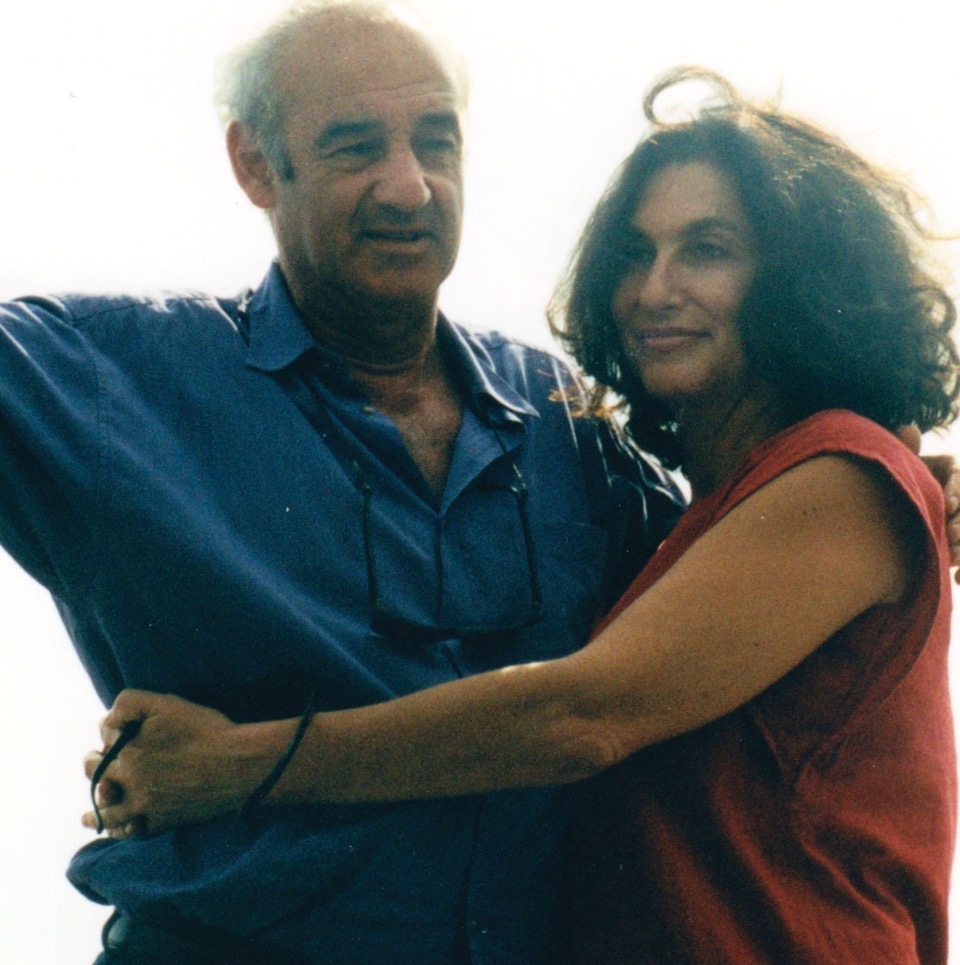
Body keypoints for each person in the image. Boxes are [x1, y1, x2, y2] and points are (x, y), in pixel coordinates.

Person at [89, 68, 960, 962]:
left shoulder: (847, 476)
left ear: (805, 279)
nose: (655, 289)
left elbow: (577, 717)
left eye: (708, 249)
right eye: (634, 253)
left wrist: (234, 766)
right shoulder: (730, 511)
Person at [0, 2, 684, 962]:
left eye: (436, 141)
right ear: (253, 165)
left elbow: (738, 580)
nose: (409, 187)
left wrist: (890, 457)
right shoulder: (109, 381)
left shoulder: (566, 419)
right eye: (356, 146)